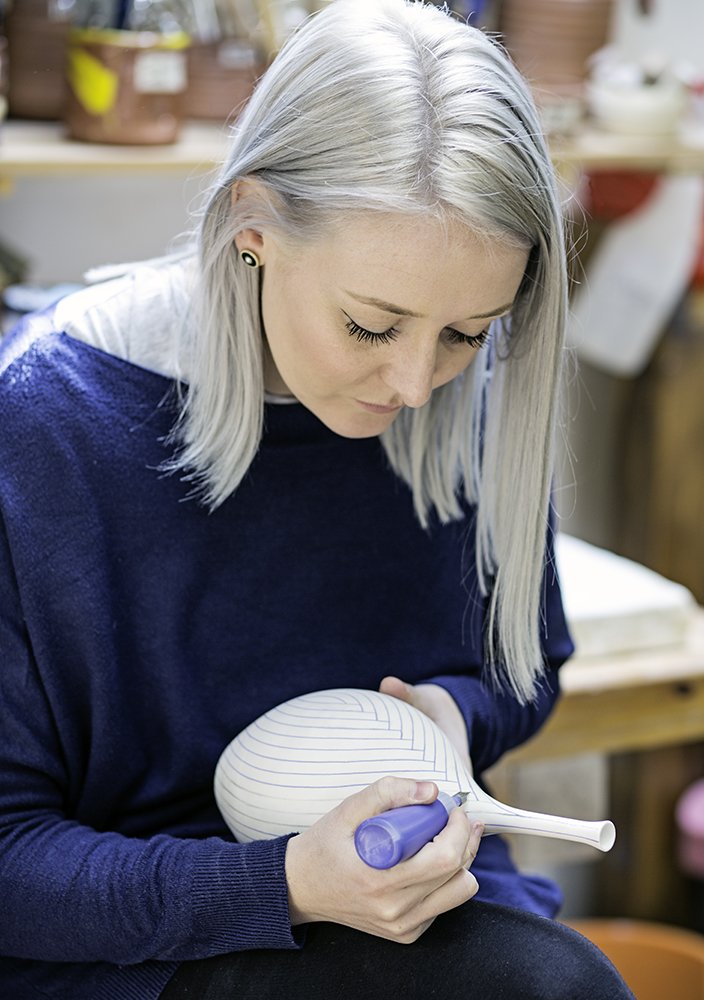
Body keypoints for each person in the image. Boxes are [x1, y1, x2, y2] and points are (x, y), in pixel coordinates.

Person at [0, 1, 634, 997]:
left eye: (466, 332)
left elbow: (522, 665)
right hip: (129, 942)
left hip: (414, 904)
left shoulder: (457, 394)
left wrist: (447, 718)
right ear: (252, 231)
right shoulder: (43, 430)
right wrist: (286, 881)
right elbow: (10, 863)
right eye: (369, 325)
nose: (418, 382)